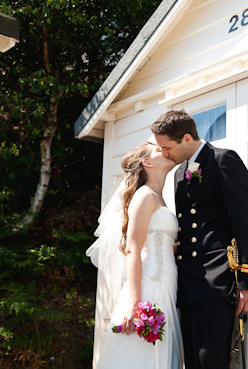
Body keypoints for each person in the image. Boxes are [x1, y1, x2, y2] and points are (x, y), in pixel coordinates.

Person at [151, 110, 248, 369]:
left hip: (218, 281)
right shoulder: (180, 173)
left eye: (167, 147)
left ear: (187, 138)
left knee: (209, 362)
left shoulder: (223, 160)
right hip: (189, 283)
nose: (165, 153)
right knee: (192, 362)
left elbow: (247, 221)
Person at [87, 142, 183, 369]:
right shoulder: (144, 196)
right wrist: (134, 302)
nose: (167, 151)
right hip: (150, 284)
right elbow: (133, 249)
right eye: (159, 150)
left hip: (167, 283)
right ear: (147, 163)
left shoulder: (160, 198)